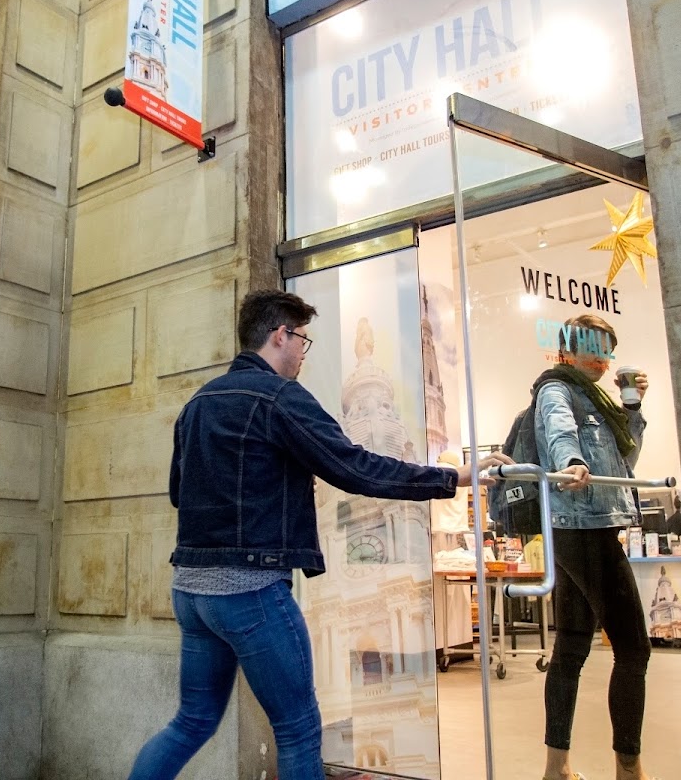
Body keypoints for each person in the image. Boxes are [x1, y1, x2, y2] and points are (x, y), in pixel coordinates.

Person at [128, 289, 512, 780]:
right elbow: (355, 468)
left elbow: (179, 492)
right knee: (299, 727)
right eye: (302, 342)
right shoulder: (280, 398)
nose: (302, 357)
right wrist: (452, 477)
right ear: (280, 335)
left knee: (192, 721)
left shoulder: (197, 404)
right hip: (250, 591)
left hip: (191, 591)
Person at [532, 314, 654, 780]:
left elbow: (625, 462)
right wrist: (572, 461)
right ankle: (630, 769)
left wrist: (635, 410)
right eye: (592, 347)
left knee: (572, 647)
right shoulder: (555, 389)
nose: (602, 358)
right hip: (580, 526)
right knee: (635, 649)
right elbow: (560, 432)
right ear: (566, 350)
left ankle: (556, 768)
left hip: (593, 526)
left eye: (607, 349)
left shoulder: (601, 401)